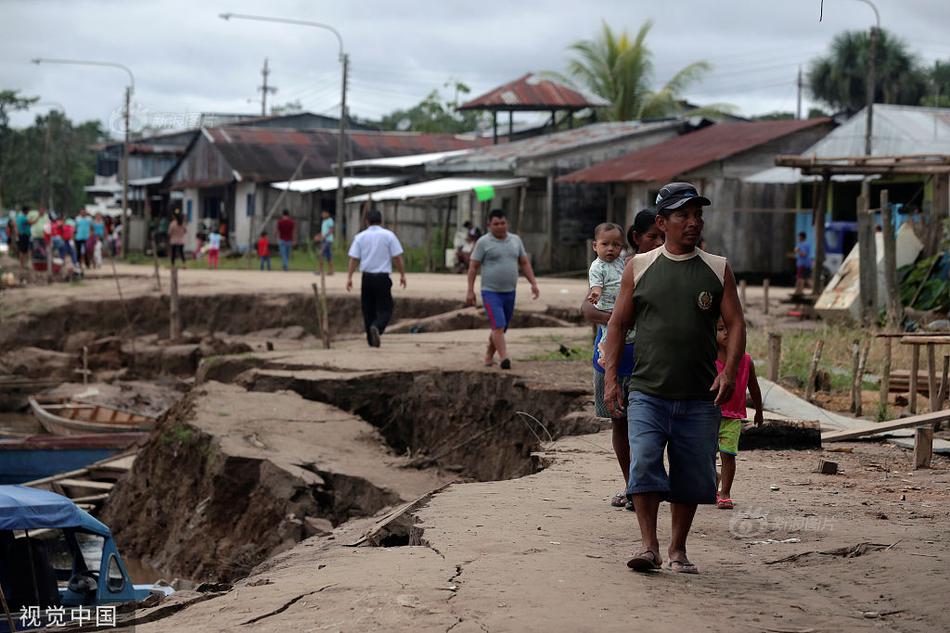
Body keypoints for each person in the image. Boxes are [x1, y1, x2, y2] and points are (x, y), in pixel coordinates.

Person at [604, 182, 745, 575]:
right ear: (662, 222)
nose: (693, 222)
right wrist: (612, 378)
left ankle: (677, 549)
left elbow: (735, 325)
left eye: (697, 215)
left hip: (700, 396)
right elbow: (617, 325)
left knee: (691, 473)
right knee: (645, 464)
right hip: (648, 391)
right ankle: (648, 546)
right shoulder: (640, 266)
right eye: (683, 215)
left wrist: (730, 372)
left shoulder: (718, 268)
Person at [583, 210, 664, 510]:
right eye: (652, 236)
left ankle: (644, 485)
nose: (658, 242)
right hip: (611, 355)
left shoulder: (665, 265)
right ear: (636, 238)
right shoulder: (616, 265)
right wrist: (618, 320)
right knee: (620, 422)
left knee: (648, 425)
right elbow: (587, 309)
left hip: (648, 357)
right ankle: (634, 486)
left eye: (661, 237)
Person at [466, 209, 540, 369]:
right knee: (498, 325)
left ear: (507, 223)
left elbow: (524, 263)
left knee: (501, 327)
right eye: (496, 224)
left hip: (509, 292)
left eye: (503, 223)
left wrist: (533, 283)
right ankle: (504, 357)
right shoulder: (483, 242)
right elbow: (473, 267)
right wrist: (470, 290)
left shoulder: (515, 240)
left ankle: (488, 355)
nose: (500, 226)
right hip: (490, 292)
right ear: (489, 225)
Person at [714, 317, 763, 510]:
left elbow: (755, 389)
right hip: (710, 416)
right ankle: (713, 479)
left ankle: (725, 493)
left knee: (728, 455)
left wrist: (759, 411)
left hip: (733, 417)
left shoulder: (746, 361)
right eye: (720, 329)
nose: (726, 333)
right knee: (705, 455)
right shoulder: (710, 359)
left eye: (730, 329)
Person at [346, 209, 407, 347]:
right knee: (386, 308)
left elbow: (354, 259)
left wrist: (349, 277)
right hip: (382, 277)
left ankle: (371, 340)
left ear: (366, 221)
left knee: (368, 309)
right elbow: (397, 257)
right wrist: (402, 274)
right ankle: (377, 327)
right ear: (381, 221)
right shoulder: (389, 236)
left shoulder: (360, 237)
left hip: (366, 278)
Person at [312, 209, 335, 274]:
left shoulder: (330, 220)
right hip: (324, 240)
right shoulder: (324, 221)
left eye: (324, 213)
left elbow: (331, 230)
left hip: (328, 240)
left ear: (327, 214)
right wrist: (318, 236)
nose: (322, 215)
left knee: (321, 253)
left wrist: (324, 236)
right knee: (328, 256)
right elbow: (323, 232)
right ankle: (331, 270)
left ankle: (320, 270)